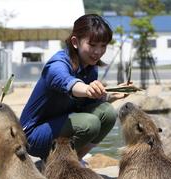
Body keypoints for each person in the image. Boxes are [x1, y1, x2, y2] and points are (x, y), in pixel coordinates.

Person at [20, 14, 132, 164]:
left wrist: (111, 95)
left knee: (108, 112)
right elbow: (67, 83)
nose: (98, 51)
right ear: (75, 42)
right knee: (89, 123)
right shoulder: (57, 63)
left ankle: (74, 160)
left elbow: (85, 103)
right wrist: (86, 89)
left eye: (103, 45)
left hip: (61, 125)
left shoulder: (91, 69)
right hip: (33, 136)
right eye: (92, 45)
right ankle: (53, 164)